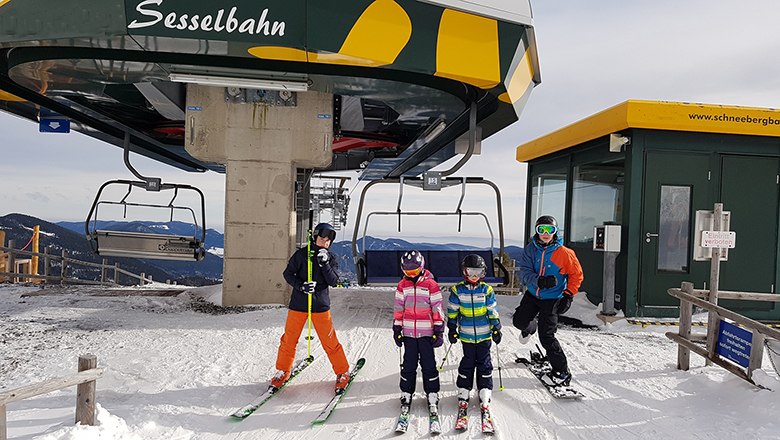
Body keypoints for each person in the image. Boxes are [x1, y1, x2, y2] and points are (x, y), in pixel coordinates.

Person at [272, 222, 351, 394]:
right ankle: (283, 370)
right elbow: (288, 274)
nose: (326, 242)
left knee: (330, 342)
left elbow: (334, 281)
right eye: (323, 238)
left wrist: (324, 264)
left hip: (320, 306)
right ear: (315, 237)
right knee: (289, 339)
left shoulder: (331, 258)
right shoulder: (302, 255)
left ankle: (342, 372)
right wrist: (301, 286)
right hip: (298, 305)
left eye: (329, 240)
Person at [513, 215, 584, 386]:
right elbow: (524, 271)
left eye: (549, 230)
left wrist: (568, 295)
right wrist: (538, 280)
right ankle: (530, 327)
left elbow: (576, 275)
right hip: (532, 294)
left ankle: (562, 371)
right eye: (541, 230)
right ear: (537, 231)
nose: (545, 234)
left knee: (547, 336)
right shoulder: (531, 249)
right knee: (519, 322)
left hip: (552, 299)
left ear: (555, 232)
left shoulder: (565, 254)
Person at [447, 254, 502, 409]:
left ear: (483, 273)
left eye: (477, 272)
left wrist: (496, 327)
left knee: (484, 362)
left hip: (485, 334)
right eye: (470, 271)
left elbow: (492, 310)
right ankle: (464, 389)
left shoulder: (487, 290)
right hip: (467, 335)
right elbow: (452, 311)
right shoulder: (458, 290)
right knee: (468, 362)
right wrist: (452, 328)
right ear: (464, 272)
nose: (474, 276)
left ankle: (485, 389)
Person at [393, 250, 445, 411]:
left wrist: (439, 329)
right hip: (409, 333)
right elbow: (398, 308)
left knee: (429, 364)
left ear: (421, 267)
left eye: (414, 271)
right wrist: (397, 327)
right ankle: (406, 392)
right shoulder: (403, 285)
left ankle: (432, 393)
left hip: (427, 333)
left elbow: (437, 307)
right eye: (408, 272)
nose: (412, 275)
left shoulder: (431, 285)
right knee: (408, 365)